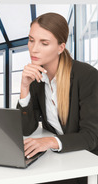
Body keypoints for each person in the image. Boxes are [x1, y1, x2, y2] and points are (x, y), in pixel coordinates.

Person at [17, 12, 98, 184]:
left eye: (44, 43)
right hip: (61, 159)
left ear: (60, 47)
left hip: (87, 161)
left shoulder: (86, 76)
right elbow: (26, 129)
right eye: (31, 40)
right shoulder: (37, 78)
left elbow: (91, 136)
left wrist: (50, 141)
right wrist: (24, 88)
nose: (34, 48)